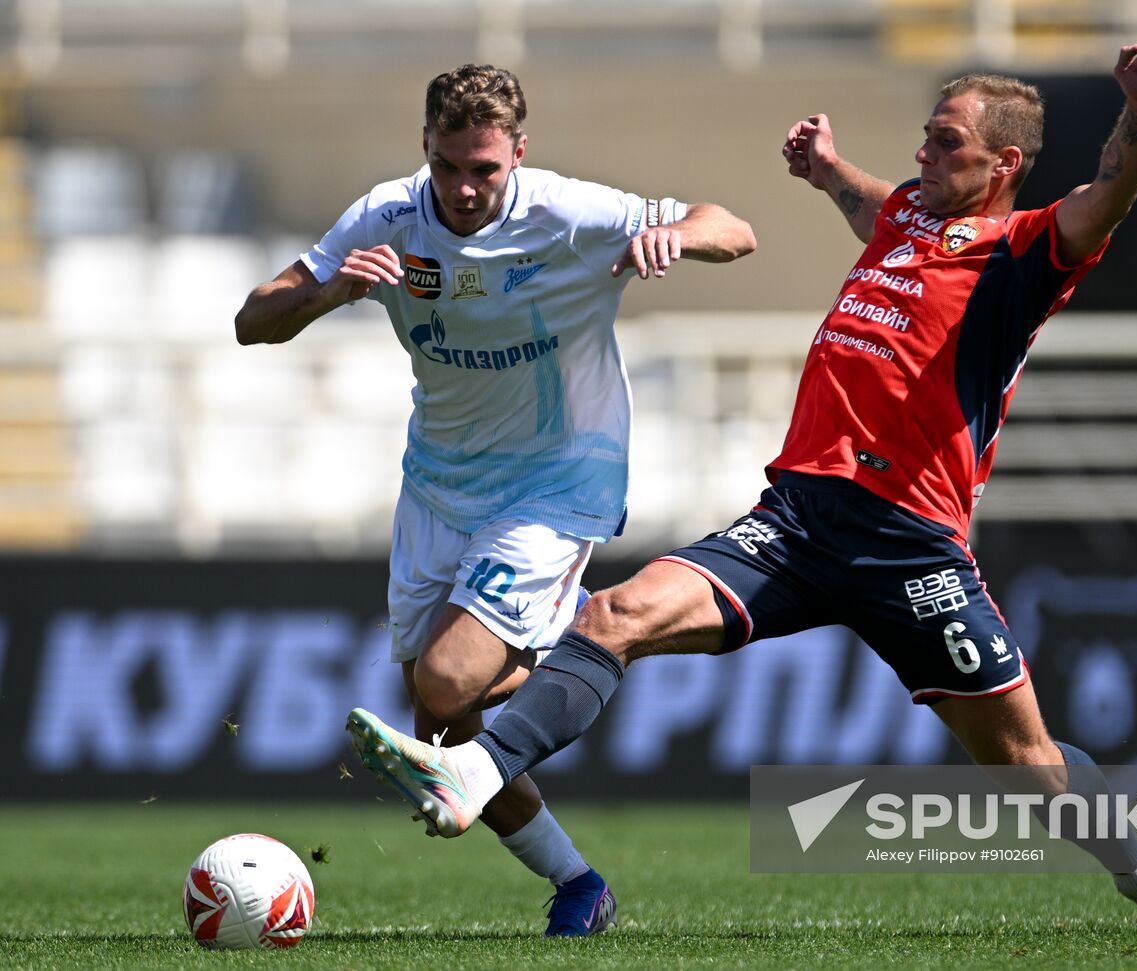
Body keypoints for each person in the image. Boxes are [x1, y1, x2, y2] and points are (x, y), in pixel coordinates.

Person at [346, 33, 1137, 934]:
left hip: (910, 543)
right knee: (612, 618)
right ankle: (476, 767)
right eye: (927, 136)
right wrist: (825, 170)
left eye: (946, 143)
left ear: (1002, 163)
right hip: (796, 519)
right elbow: (873, 205)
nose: (922, 154)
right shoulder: (906, 217)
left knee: (1028, 762)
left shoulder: (1023, 255)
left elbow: (1110, 197)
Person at [236, 63, 756, 937]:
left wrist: (679, 239)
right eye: (449, 167)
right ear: (426, 152)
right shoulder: (388, 215)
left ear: (519, 151)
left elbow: (734, 228)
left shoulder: (568, 210)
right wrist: (329, 293)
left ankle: (594, 628)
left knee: (447, 674)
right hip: (440, 478)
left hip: (560, 474)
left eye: (486, 169)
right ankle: (579, 882)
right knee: (437, 735)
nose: (467, 189)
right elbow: (253, 319)